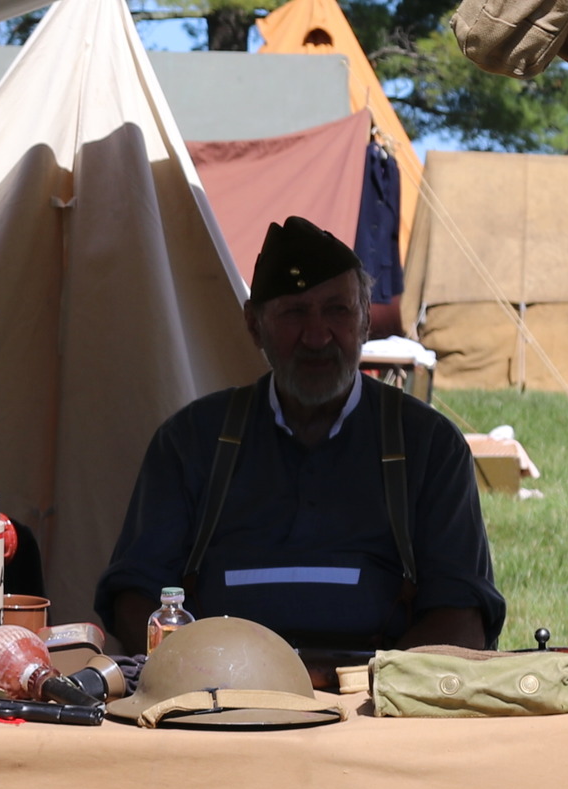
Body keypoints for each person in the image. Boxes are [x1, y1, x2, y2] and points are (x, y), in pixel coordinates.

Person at [98, 216, 502, 658]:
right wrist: (203, 679)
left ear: (366, 321)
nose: (317, 336)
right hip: (217, 702)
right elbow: (133, 599)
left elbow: (463, 616)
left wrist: (374, 691)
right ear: (254, 325)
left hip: (375, 705)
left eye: (337, 310)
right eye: (294, 312)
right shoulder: (193, 440)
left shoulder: (427, 445)